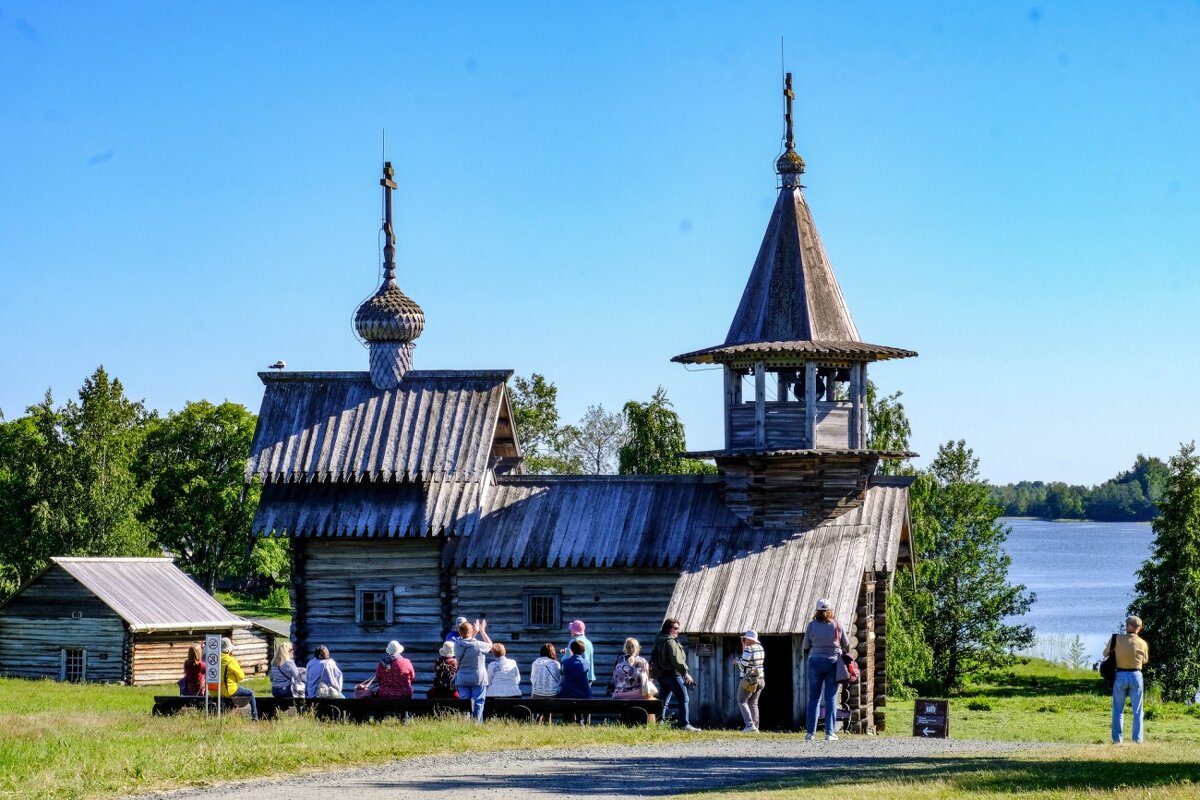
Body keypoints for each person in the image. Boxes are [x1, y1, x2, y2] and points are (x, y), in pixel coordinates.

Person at [803, 599, 848, 741]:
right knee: (830, 698)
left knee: (814, 698)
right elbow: (846, 643)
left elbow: (805, 645)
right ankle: (829, 733)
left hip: (815, 661)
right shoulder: (837, 625)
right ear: (830, 610)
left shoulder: (811, 625)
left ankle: (810, 733)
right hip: (832, 662)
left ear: (817, 611)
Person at [1105, 615, 1150, 744]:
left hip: (1120, 675)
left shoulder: (1116, 639)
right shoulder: (1143, 643)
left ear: (1129, 626)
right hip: (1136, 676)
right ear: (1139, 628)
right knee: (1137, 711)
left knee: (1118, 710)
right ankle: (1137, 740)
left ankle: (1117, 740)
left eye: (1126, 624)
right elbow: (1145, 661)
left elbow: (1105, 653)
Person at [653, 618, 699, 731]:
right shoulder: (670, 642)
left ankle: (660, 724)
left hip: (662, 676)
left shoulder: (659, 640)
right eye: (676, 628)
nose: (678, 631)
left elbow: (653, 657)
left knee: (664, 701)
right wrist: (685, 673)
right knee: (684, 699)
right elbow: (676, 660)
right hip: (673, 675)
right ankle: (685, 725)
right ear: (669, 629)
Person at [453, 619, 493, 722]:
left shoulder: (457, 644)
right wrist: (482, 630)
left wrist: (473, 632)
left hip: (462, 678)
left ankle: (466, 723)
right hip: (477, 678)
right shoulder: (479, 645)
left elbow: (467, 640)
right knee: (478, 701)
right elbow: (490, 645)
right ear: (471, 632)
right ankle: (476, 724)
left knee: (465, 702)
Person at [219, 637, 259, 720]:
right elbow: (241, 677)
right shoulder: (231, 660)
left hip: (216, 690)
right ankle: (255, 717)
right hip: (229, 690)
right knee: (251, 693)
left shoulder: (215, 659)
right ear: (228, 649)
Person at [736, 629, 766, 733]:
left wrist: (736, 662)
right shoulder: (760, 648)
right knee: (753, 703)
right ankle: (755, 727)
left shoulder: (749, 649)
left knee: (741, 700)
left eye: (745, 639)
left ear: (749, 639)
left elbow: (742, 666)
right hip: (760, 679)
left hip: (749, 679)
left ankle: (749, 725)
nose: (744, 640)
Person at [560, 619, 595, 685]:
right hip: (589, 677)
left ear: (574, 631)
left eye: (571, 630)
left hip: (577, 677)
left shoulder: (573, 642)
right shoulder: (589, 642)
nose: (570, 631)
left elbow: (565, 659)